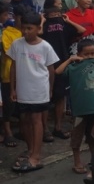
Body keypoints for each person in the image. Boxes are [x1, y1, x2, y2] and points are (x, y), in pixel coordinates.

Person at [8, 12, 59, 173]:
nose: (26, 31)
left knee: (37, 120)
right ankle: (30, 150)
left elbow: (51, 70)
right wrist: (13, 88)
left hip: (39, 89)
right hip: (22, 90)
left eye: (30, 28)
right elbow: (13, 67)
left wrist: (50, 89)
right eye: (24, 28)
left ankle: (36, 156)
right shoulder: (17, 44)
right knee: (25, 121)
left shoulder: (45, 46)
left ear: (38, 28)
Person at [55, 39, 94, 175]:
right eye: (85, 54)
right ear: (79, 54)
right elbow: (58, 71)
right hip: (80, 109)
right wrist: (70, 60)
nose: (89, 57)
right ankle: (77, 162)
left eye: (92, 53)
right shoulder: (73, 66)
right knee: (77, 136)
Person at [40, 0, 86, 141]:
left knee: (60, 97)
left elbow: (81, 30)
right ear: (47, 12)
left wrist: (69, 20)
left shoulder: (63, 23)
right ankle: (45, 129)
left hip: (62, 62)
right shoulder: (43, 24)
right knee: (46, 98)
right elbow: (38, 33)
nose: (56, 13)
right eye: (54, 11)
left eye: (58, 11)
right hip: (44, 64)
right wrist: (41, 21)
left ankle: (57, 127)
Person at [0, 2, 18, 148]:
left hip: (6, 71)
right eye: (5, 14)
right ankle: (6, 130)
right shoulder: (4, 31)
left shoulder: (5, 29)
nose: (7, 17)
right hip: (4, 71)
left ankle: (6, 130)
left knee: (7, 102)